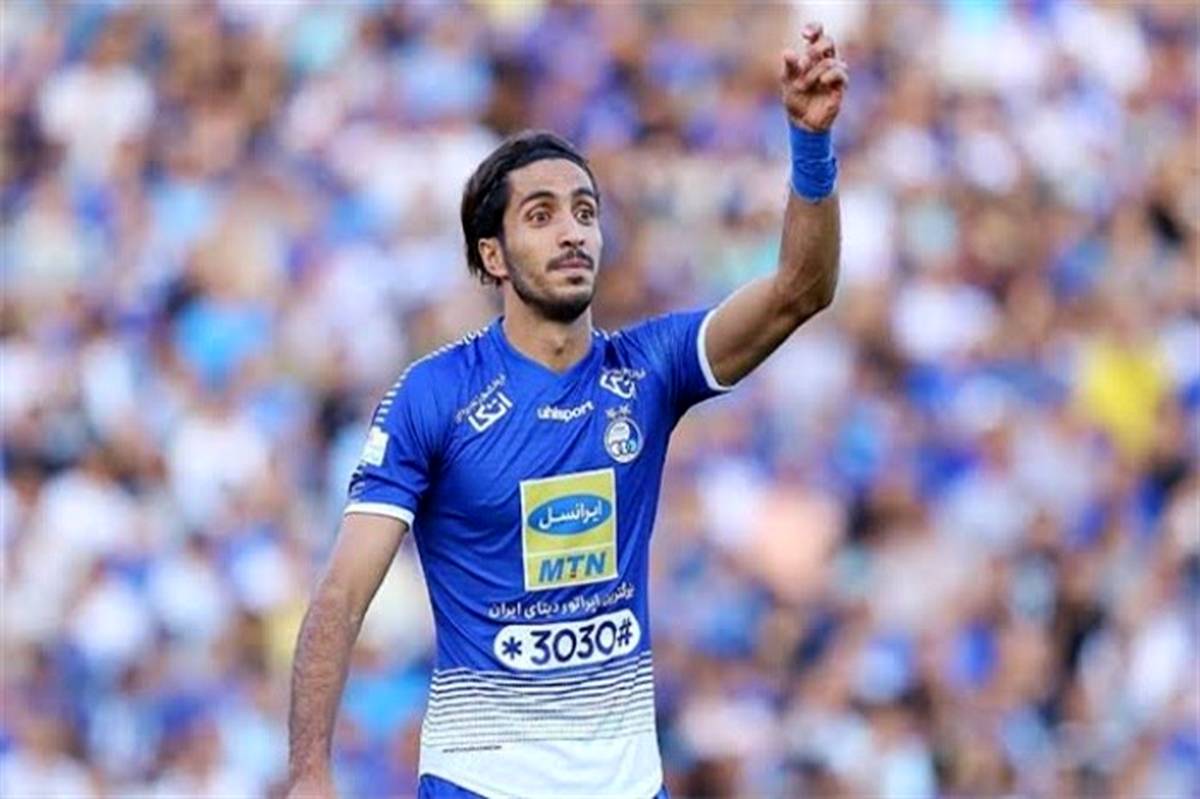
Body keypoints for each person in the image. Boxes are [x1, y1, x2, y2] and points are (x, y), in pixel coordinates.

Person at [286, 23, 847, 799]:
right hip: (482, 781)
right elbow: (343, 592)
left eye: (585, 211)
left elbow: (800, 290)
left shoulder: (647, 370)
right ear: (493, 254)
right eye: (541, 214)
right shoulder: (435, 395)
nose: (573, 231)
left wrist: (811, 144)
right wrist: (310, 773)